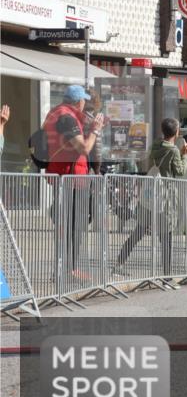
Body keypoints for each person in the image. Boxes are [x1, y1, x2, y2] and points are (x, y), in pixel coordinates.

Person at [113, 118, 187, 276]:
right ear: (176, 132)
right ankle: (167, 275)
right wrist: (186, 155)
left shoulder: (155, 145)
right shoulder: (173, 150)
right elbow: (180, 171)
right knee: (166, 236)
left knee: (138, 231)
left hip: (149, 193)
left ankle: (118, 264)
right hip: (165, 196)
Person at [43, 85, 105, 280]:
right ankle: (68, 270)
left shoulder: (57, 113)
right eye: (83, 101)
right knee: (73, 226)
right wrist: (95, 131)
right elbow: (84, 148)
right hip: (70, 178)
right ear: (78, 101)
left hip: (67, 176)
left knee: (72, 225)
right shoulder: (66, 118)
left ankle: (68, 268)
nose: (85, 103)